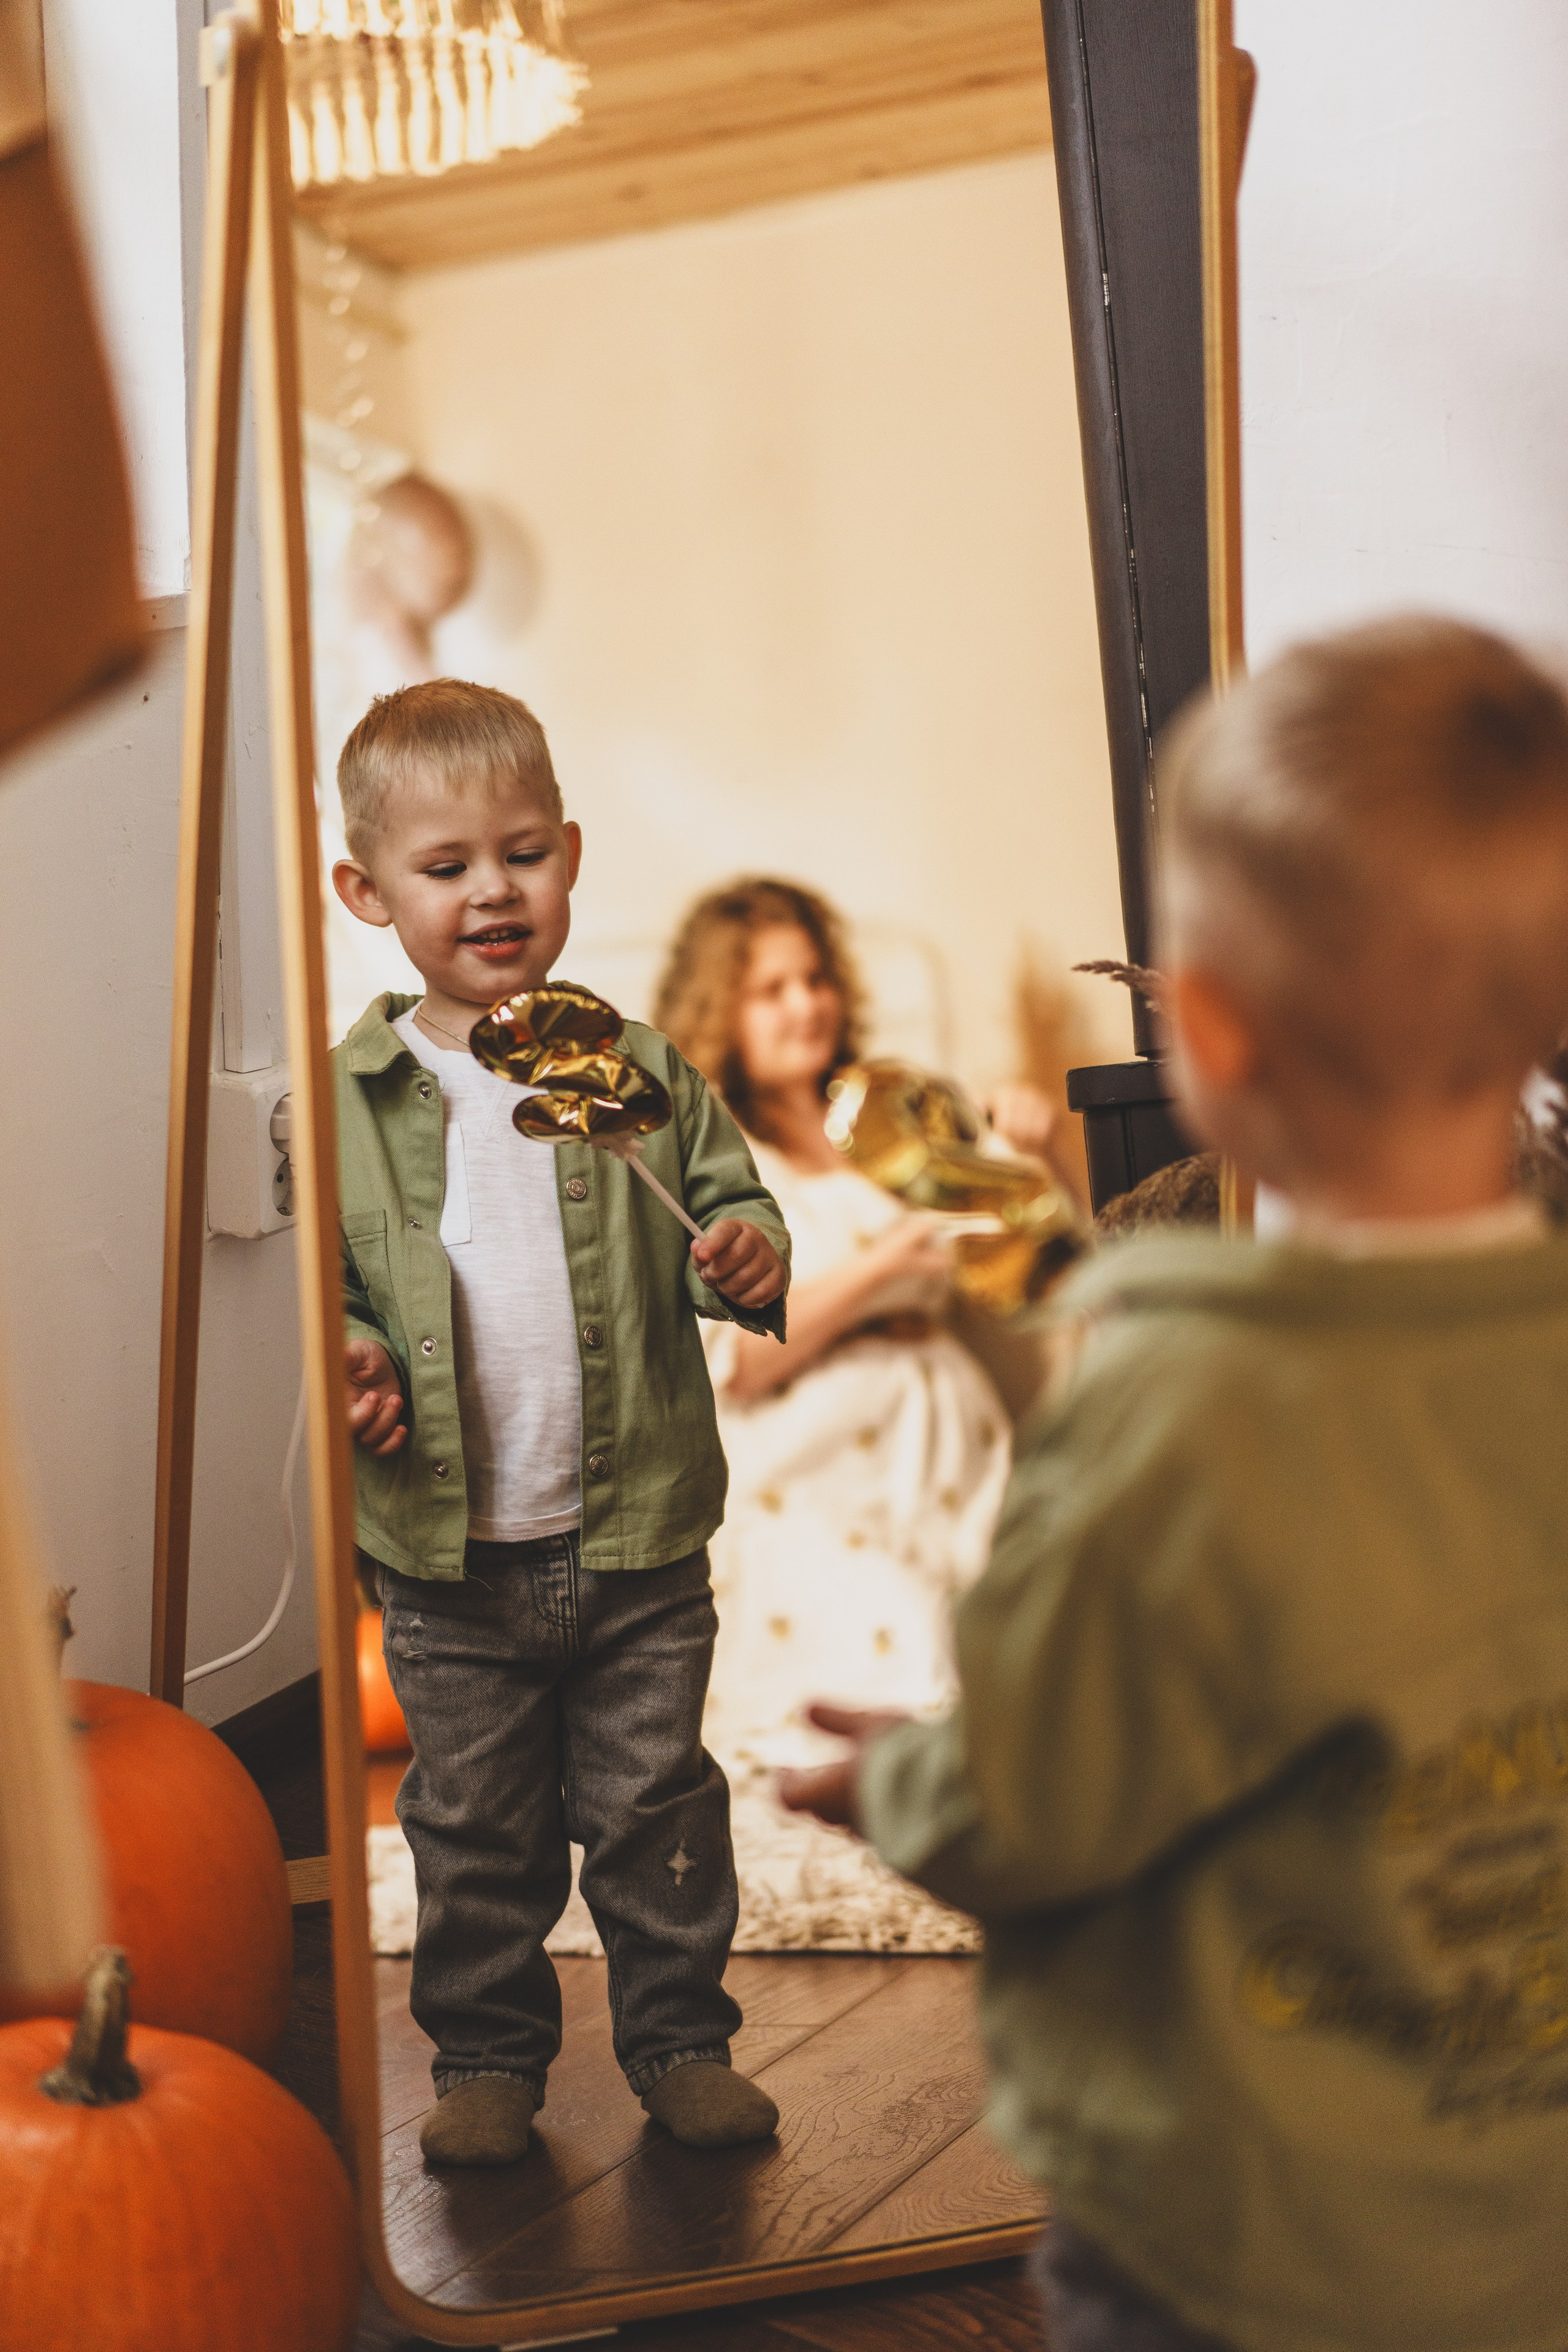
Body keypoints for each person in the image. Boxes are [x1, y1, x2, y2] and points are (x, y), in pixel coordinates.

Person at [782, 617, 1568, 2350]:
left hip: (1239, 2243)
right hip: (1527, 2217)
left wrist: (904, 1785)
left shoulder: (1181, 1407)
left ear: (1200, 1033)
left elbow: (1042, 1800)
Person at [329, 679, 791, 2169]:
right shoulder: (348, 1099)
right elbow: (319, 1288)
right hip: (447, 1563)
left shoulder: (637, 1069)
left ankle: (677, 2042)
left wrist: (747, 1250)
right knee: (473, 1833)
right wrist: (344, 1350)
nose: (491, 892)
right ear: (366, 890)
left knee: (659, 1808)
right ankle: (483, 2061)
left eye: (521, 854)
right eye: (445, 866)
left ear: (572, 856)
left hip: (638, 1534)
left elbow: (733, 1203)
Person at [652, 880, 1013, 1786]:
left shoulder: (891, 1118)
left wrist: (1020, 1150)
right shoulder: (709, 1151)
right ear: (719, 1007)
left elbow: (1007, 1261)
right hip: (807, 1461)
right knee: (905, 1638)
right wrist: (882, 1273)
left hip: (949, 1443)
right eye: (772, 990)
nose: (806, 1005)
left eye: (815, 980)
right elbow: (731, 1362)